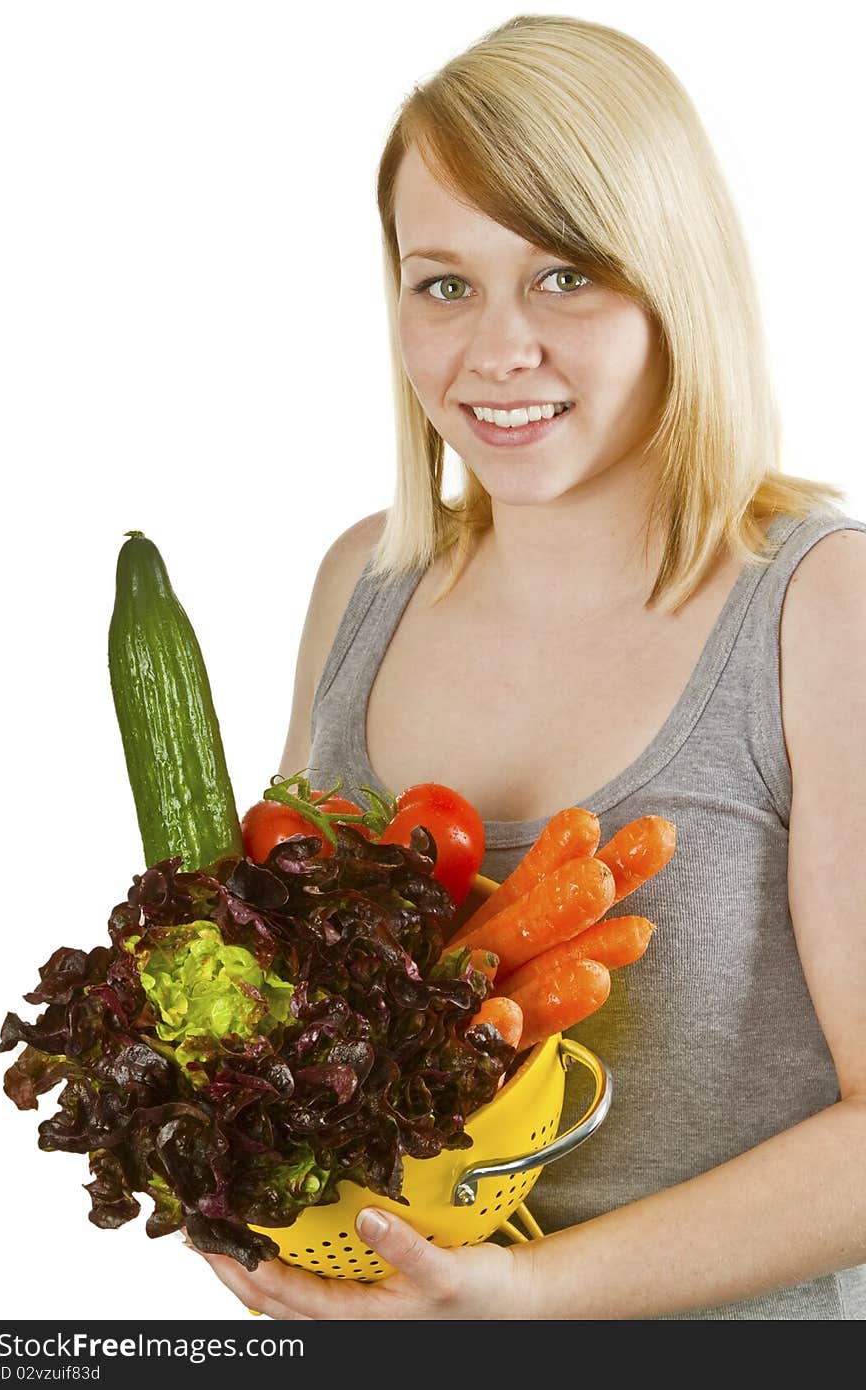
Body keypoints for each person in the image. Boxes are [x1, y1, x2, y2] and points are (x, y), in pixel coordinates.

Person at [194, 14, 866, 1319]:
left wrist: (522, 1294)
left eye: (565, 276)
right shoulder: (362, 589)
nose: (496, 349)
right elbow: (273, 1015)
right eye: (444, 282)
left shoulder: (818, 604)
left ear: (679, 281)